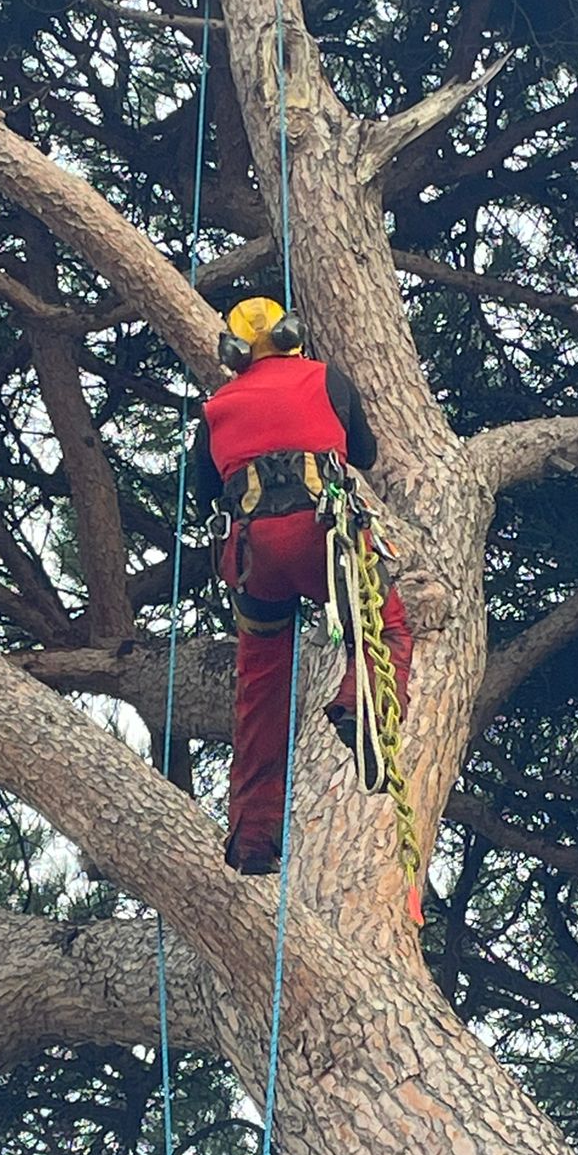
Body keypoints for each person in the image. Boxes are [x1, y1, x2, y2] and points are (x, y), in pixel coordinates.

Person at [193, 296, 413, 875]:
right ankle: (360, 703)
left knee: (261, 687)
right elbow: (364, 452)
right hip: (325, 538)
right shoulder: (327, 380)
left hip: (252, 560)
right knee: (383, 625)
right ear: (292, 335)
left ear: (235, 351)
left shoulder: (215, 408)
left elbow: (202, 495)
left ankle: (252, 836)